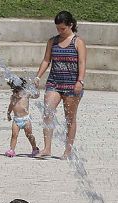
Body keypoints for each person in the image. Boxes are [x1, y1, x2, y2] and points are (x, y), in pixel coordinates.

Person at [33, 11, 86, 159]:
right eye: (58, 28)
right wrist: (38, 76)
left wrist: (80, 81)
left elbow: (82, 63)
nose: (60, 31)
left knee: (70, 119)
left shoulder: (78, 42)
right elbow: (46, 60)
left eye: (63, 28)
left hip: (72, 84)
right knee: (47, 112)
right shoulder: (52, 41)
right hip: (54, 82)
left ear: (71, 25)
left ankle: (68, 151)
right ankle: (47, 148)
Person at [4, 78, 40, 157]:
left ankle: (34, 148)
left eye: (18, 91)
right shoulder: (13, 97)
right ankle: (11, 150)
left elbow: (36, 95)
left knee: (29, 135)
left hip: (26, 119)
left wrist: (36, 88)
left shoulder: (26, 94)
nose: (16, 94)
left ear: (23, 89)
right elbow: (11, 105)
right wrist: (8, 113)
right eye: (14, 91)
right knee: (14, 135)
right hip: (16, 119)